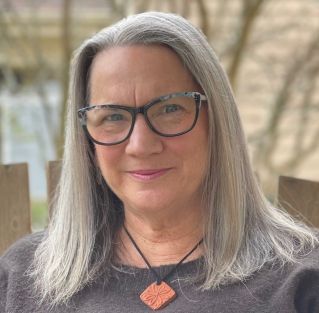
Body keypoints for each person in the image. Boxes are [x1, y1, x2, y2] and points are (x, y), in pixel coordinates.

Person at [0, 11, 318, 313]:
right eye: (112, 116)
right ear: (87, 140)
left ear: (217, 122)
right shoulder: (23, 278)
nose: (141, 145)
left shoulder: (302, 283)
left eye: (169, 109)